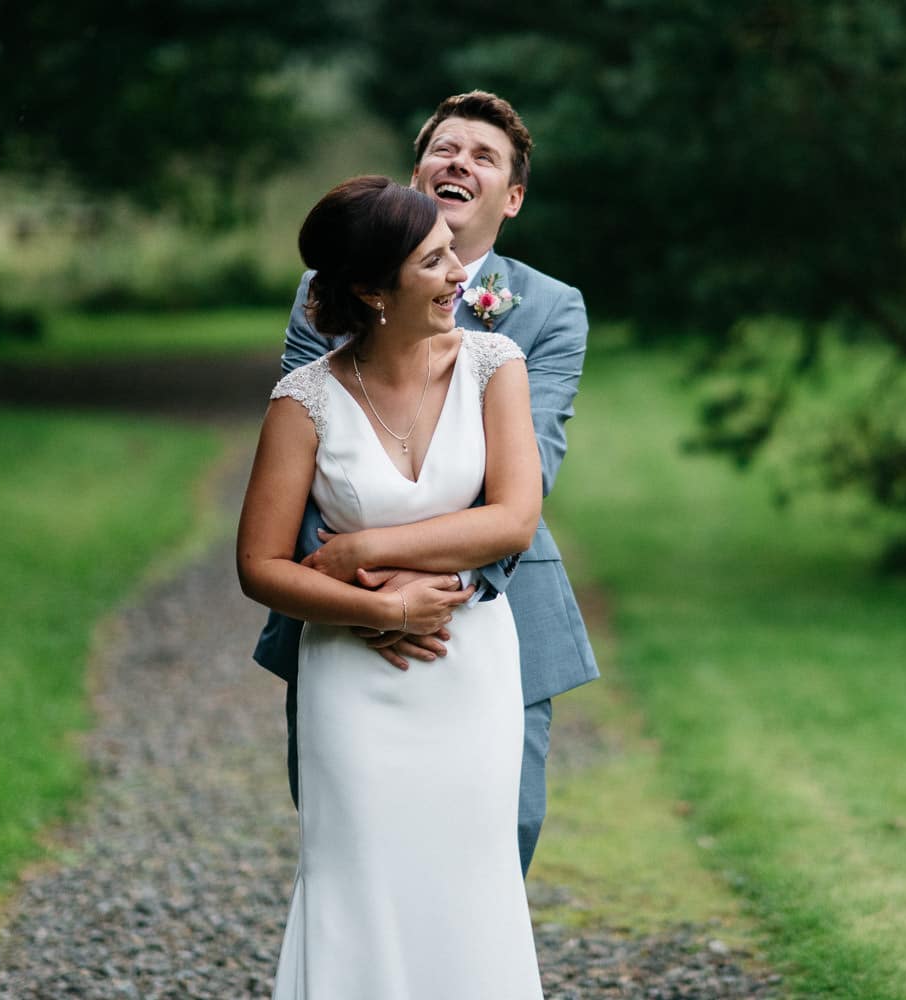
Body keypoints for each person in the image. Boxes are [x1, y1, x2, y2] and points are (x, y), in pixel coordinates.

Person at [252, 91, 600, 876]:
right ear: (416, 176)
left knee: (496, 848)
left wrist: (389, 568)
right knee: (352, 860)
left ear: (511, 199)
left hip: (492, 609)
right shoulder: (330, 286)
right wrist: (366, 603)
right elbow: (305, 459)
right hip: (348, 625)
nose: (459, 163)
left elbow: (529, 475)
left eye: (484, 156)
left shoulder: (547, 311)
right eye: (445, 148)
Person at [238, 176, 544, 996]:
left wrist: (366, 547)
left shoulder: (493, 365)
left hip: (469, 665)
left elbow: (514, 517)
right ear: (373, 291)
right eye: (434, 264)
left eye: (453, 257)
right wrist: (382, 606)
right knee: (358, 882)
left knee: (471, 876)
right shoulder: (303, 402)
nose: (459, 278)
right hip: (353, 679)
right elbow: (259, 567)